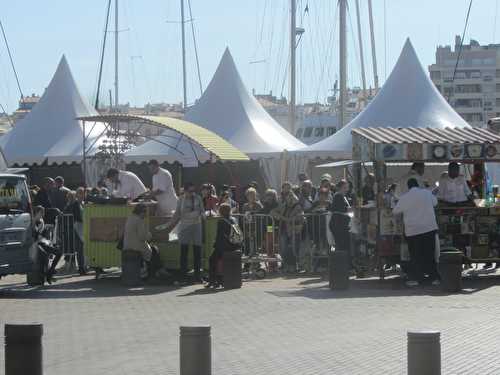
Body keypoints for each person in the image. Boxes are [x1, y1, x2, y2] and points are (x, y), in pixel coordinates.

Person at [393, 178, 440, 287]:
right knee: (430, 254)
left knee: (416, 256)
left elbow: (395, 211)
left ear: (408, 187)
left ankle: (418, 279)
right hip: (429, 228)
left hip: (413, 231)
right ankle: (434, 278)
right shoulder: (426, 193)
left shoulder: (405, 197)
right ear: (417, 185)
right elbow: (435, 202)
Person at [167, 182, 205, 282]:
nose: (192, 193)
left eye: (193, 191)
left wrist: (204, 215)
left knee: (197, 251)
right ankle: (183, 276)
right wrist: (169, 224)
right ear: (185, 190)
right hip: (184, 227)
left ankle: (198, 276)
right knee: (184, 251)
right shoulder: (181, 199)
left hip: (197, 225)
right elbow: (177, 213)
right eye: (190, 191)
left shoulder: (198, 198)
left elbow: (202, 210)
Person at [207, 203, 240, 288]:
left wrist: (215, 246)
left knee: (212, 259)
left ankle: (213, 280)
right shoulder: (233, 220)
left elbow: (220, 237)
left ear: (221, 211)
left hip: (224, 247)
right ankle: (220, 279)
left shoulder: (221, 221)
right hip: (234, 245)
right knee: (220, 260)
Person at [274, 191, 304, 273]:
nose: (290, 198)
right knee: (283, 248)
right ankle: (286, 265)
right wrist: (282, 218)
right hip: (283, 230)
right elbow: (272, 212)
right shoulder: (283, 206)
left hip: (294, 230)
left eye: (291, 196)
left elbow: (301, 218)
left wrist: (291, 220)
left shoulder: (298, 207)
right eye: (288, 196)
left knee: (294, 248)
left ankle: (297, 266)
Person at [123, 203, 153, 277]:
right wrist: (150, 236)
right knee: (152, 251)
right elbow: (142, 237)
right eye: (145, 212)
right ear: (142, 212)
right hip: (136, 246)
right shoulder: (139, 220)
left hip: (127, 244)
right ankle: (150, 273)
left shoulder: (130, 218)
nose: (146, 215)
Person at [65, 188, 87, 275]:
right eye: (80, 193)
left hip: (83, 228)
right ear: (77, 195)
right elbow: (74, 216)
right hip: (77, 229)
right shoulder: (74, 204)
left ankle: (84, 267)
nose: (82, 195)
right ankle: (81, 268)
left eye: (83, 193)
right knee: (80, 249)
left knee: (83, 249)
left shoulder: (84, 204)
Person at [330, 180, 351, 253]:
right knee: (340, 243)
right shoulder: (338, 195)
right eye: (344, 187)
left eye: (347, 187)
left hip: (342, 223)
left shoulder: (343, 196)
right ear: (340, 188)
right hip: (338, 223)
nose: (347, 189)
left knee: (343, 243)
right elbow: (341, 209)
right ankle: (340, 260)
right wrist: (350, 209)